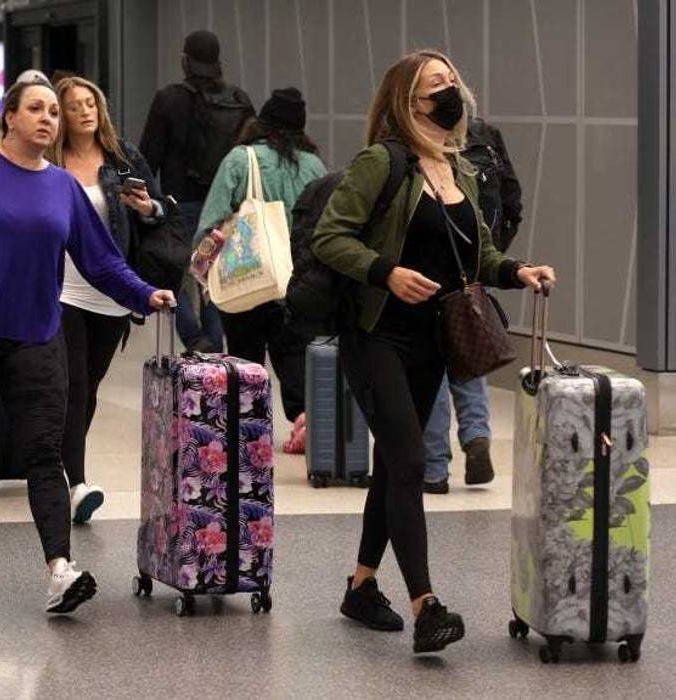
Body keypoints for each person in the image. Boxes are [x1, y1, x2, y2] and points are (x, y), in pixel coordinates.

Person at [0, 78, 175, 614]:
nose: (48, 118)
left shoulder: (63, 188)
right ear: (10, 117)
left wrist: (145, 293)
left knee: (44, 453)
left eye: (54, 111)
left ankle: (59, 571)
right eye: (36, 109)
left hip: (38, 338)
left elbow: (100, 261)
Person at [311, 50, 556, 654]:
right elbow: (329, 237)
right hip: (377, 334)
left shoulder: (463, 170)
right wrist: (385, 271)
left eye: (453, 82)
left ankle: (361, 586)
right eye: (435, 85)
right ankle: (426, 604)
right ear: (408, 102)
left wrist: (517, 270)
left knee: (396, 465)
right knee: (411, 460)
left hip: (432, 340)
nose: (451, 93)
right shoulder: (382, 163)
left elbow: (474, 257)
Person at [52, 75, 166, 524]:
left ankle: (57, 466)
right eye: (75, 105)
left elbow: (159, 208)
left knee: (89, 387)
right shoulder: (51, 160)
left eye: (91, 103)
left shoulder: (122, 158)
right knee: (73, 385)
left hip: (112, 290)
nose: (85, 111)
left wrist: (146, 208)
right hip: (61, 288)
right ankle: (76, 483)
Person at [194, 87, 327, 426]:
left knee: (244, 355)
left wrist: (201, 268)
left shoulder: (242, 159)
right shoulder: (315, 167)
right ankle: (303, 421)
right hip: (297, 280)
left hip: (247, 275)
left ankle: (249, 430)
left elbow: (211, 223)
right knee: (295, 355)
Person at [421, 116, 523, 494]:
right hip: (472, 268)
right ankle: (477, 436)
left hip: (428, 271)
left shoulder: (418, 144)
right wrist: (492, 252)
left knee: (432, 370)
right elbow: (512, 200)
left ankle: (433, 469)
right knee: (469, 350)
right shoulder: (487, 135)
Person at [140, 30, 254, 354]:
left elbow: (148, 158)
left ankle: (194, 338)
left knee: (170, 276)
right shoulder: (240, 101)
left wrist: (148, 206)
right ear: (218, 62)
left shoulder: (168, 99)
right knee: (212, 283)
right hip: (224, 209)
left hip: (179, 206)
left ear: (184, 60)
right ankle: (214, 356)